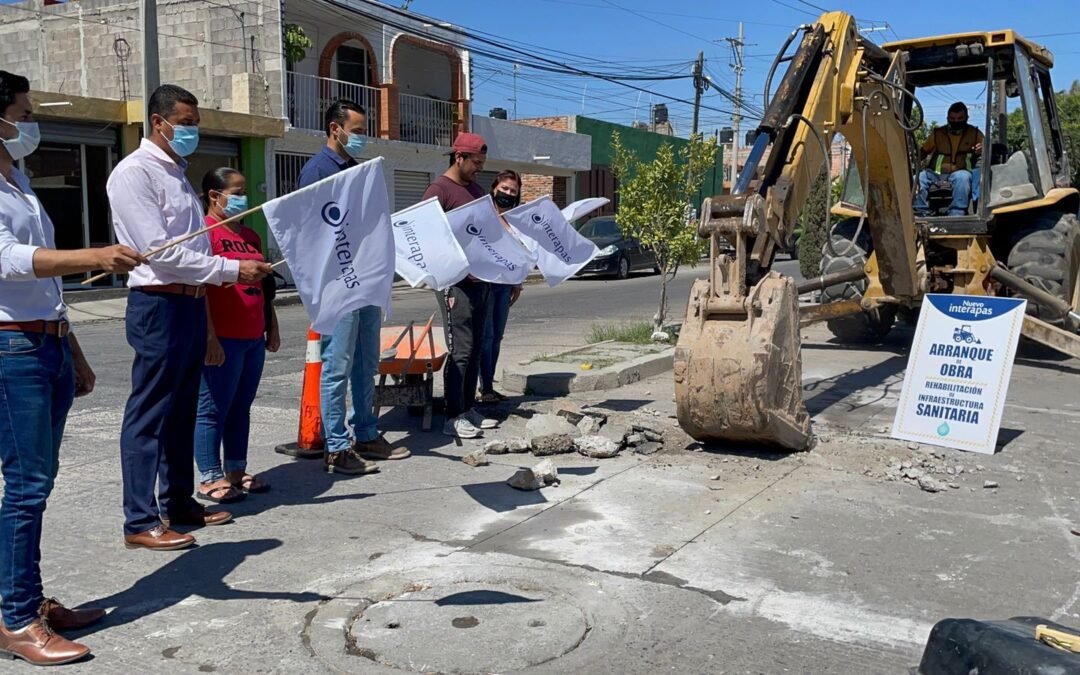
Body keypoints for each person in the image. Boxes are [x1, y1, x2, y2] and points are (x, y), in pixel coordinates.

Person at [0, 70, 146, 665]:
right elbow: (8, 260)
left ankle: (28, 598)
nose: (30, 122)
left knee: (37, 482)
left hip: (48, 342)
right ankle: (15, 618)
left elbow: (46, 287)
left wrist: (73, 348)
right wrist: (96, 255)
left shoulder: (18, 179)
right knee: (26, 485)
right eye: (23, 112)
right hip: (12, 348)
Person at [108, 84, 272, 552]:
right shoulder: (134, 173)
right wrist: (231, 270)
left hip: (190, 301)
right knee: (150, 414)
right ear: (158, 122)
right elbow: (161, 253)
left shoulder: (176, 172)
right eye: (185, 124)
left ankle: (179, 501)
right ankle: (140, 519)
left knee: (181, 410)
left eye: (196, 124)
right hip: (158, 303)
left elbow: (192, 247)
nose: (192, 132)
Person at [297, 99, 410, 475]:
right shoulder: (317, 172)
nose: (362, 138)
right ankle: (336, 445)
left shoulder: (356, 171)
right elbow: (310, 232)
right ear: (335, 129)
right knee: (337, 365)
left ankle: (366, 432)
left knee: (366, 362)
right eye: (357, 131)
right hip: (337, 284)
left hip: (365, 281)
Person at [194, 167, 279, 504]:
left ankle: (235, 468)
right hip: (223, 336)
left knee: (241, 406)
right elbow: (200, 290)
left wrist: (270, 324)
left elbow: (264, 286)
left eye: (245, 192)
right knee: (213, 407)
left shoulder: (251, 236)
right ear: (215, 196)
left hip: (252, 336)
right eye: (238, 192)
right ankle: (209, 475)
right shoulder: (204, 234)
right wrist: (209, 337)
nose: (244, 198)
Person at [422, 132, 499, 438]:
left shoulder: (476, 190)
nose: (480, 168)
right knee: (461, 351)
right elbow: (425, 235)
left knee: (476, 348)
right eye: (476, 162)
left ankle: (468, 409)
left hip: (480, 280)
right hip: (455, 283)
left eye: (482, 163)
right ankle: (452, 416)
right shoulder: (439, 191)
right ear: (459, 157)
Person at [478, 170, 524, 404]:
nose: (508, 193)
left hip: (505, 286)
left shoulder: (515, 219)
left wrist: (518, 283)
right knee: (486, 337)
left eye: (513, 191)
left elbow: (520, 253)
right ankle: (485, 388)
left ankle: (488, 385)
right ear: (494, 188)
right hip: (485, 284)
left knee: (497, 337)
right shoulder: (483, 215)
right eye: (504, 188)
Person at [915, 102, 984, 216]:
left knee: (963, 178)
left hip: (960, 172)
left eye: (960, 118)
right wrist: (912, 158)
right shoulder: (937, 134)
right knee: (917, 178)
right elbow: (922, 152)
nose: (956, 121)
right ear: (947, 118)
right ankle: (920, 213)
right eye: (952, 119)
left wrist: (982, 149)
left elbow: (986, 149)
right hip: (935, 173)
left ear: (967, 118)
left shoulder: (975, 133)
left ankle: (957, 213)